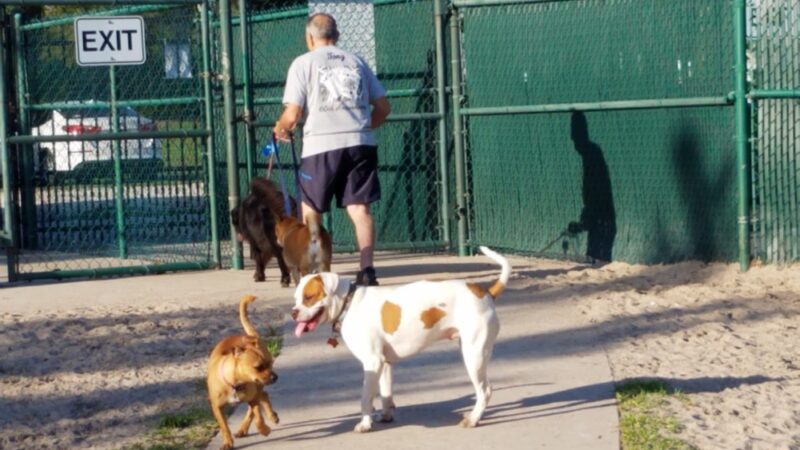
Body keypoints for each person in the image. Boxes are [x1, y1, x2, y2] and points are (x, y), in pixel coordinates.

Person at [274, 12, 390, 286]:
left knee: (312, 209)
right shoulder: (357, 61)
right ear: (337, 35)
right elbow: (384, 107)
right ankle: (367, 270)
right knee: (360, 209)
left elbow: (293, 114)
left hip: (320, 146)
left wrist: (280, 128)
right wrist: (364, 126)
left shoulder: (303, 63)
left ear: (309, 37)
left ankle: (315, 269)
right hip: (360, 142)